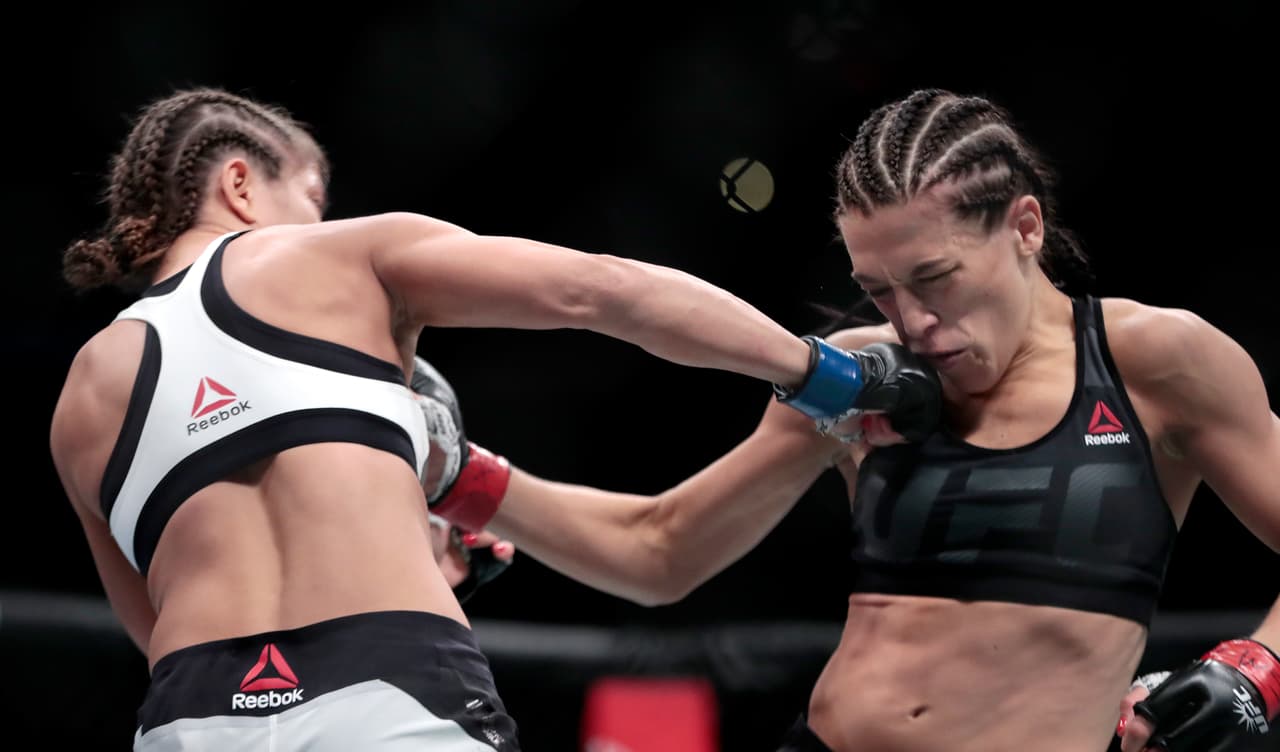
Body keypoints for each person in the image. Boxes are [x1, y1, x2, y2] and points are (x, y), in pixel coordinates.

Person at [47, 86, 939, 751]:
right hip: (386, 692)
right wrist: (823, 373)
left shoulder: (82, 395)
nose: (317, 217)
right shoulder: (338, 254)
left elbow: (154, 631)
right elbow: (603, 288)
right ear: (242, 183)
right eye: (311, 194)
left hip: (191, 720)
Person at [417, 88, 1280, 752]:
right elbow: (662, 549)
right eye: (878, 289)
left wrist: (1257, 669)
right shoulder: (857, 376)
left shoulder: (1156, 361)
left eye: (934, 277)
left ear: (1024, 227)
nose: (911, 320)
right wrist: (453, 471)